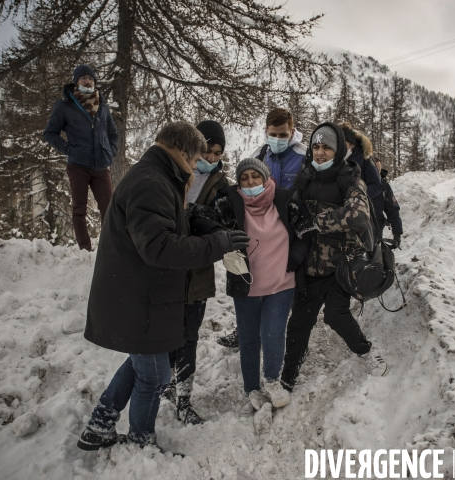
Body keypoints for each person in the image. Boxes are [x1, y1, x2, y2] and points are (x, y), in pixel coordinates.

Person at [76, 122, 250, 451]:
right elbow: (160, 247)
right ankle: (141, 441)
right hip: (139, 297)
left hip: (145, 294)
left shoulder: (158, 176)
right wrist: (217, 244)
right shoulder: (150, 181)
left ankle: (100, 424)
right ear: (182, 151)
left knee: (145, 363)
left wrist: (209, 228)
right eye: (198, 156)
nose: (200, 163)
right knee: (155, 374)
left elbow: (173, 223)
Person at [191, 158, 311, 412]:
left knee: (273, 333)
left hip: (281, 282)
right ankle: (251, 387)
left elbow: (305, 231)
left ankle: (272, 380)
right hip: (245, 284)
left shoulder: (285, 200)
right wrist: (219, 233)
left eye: (255, 177)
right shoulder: (228, 204)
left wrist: (296, 256)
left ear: (266, 177)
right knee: (248, 339)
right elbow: (202, 218)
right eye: (244, 178)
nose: (250, 182)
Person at [281, 122, 389, 392]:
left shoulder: (349, 176)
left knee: (335, 315)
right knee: (298, 324)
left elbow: (359, 215)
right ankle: (288, 375)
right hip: (309, 267)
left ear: (338, 150)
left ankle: (365, 352)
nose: (320, 153)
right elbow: (291, 208)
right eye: (316, 147)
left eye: (326, 147)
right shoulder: (305, 176)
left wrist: (318, 222)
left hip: (340, 265)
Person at [218, 107, 307, 348]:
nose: (278, 139)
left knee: (291, 285)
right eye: (273, 134)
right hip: (262, 229)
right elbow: (246, 186)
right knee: (255, 278)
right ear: (266, 131)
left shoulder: (304, 155)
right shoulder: (260, 154)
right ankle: (245, 329)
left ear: (292, 131)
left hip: (293, 228)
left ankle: (293, 338)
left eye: (283, 134)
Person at [160, 120, 230, 425]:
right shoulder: (173, 172)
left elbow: (224, 221)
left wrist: (200, 217)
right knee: (166, 332)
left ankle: (184, 397)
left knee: (188, 335)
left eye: (217, 153)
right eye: (207, 151)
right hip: (166, 265)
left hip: (198, 269)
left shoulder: (221, 185)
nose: (212, 158)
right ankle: (166, 382)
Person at [44, 64, 119, 251]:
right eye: (84, 78)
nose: (88, 81)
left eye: (91, 78)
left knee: (109, 209)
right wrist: (69, 149)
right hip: (78, 165)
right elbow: (50, 133)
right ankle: (85, 249)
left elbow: (113, 135)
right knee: (79, 210)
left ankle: (109, 248)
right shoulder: (65, 106)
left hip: (101, 167)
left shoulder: (102, 106)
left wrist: (110, 152)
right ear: (76, 82)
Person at [340, 122, 384, 229]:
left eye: (343, 143)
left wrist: (359, 196)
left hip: (360, 212)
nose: (340, 146)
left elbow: (377, 185)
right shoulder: (334, 160)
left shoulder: (365, 160)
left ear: (352, 145)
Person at [374, 158, 403, 248]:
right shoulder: (358, 184)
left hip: (376, 231)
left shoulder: (384, 187)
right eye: (375, 169)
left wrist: (397, 234)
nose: (377, 172)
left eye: (379, 169)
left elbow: (393, 210)